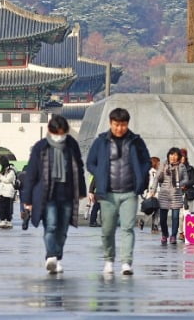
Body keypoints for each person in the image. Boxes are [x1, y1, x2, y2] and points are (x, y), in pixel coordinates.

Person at [86, 107, 151, 276]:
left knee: (128, 228)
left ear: (127, 124)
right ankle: (108, 260)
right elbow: (90, 162)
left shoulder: (136, 141)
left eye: (123, 125)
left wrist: (140, 179)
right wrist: (100, 175)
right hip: (107, 193)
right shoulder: (101, 141)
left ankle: (126, 263)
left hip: (129, 192)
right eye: (116, 125)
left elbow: (146, 162)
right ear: (110, 123)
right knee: (107, 230)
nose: (119, 128)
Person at [22, 114, 85, 274]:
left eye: (62, 133)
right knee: (51, 225)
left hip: (67, 193)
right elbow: (31, 173)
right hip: (46, 194)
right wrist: (27, 199)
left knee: (63, 229)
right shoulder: (41, 147)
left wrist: (82, 190)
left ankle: (57, 257)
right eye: (57, 133)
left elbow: (79, 167)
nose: (59, 137)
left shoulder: (72, 145)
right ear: (50, 131)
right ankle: (51, 256)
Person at [152, 147, 193, 245]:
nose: (173, 157)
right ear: (168, 155)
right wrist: (152, 190)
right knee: (163, 218)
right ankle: (165, 234)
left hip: (176, 195)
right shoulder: (163, 165)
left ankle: (173, 236)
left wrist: (178, 184)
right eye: (171, 154)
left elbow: (186, 180)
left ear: (178, 157)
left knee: (175, 217)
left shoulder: (182, 166)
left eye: (175, 155)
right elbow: (157, 177)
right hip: (164, 194)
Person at [0, 157, 17, 229]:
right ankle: (7, 220)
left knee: (2, 206)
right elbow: (2, 179)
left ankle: (4, 220)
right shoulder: (5, 170)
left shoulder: (11, 171)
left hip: (8, 191)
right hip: (3, 191)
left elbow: (7, 180)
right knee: (7, 207)